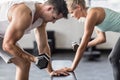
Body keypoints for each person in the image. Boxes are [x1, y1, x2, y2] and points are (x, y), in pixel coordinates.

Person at [0, 0, 69, 80]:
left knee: (24, 63)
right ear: (49, 8)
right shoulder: (24, 12)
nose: (53, 22)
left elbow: (43, 46)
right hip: (5, 40)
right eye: (54, 18)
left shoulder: (42, 20)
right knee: (24, 59)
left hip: (2, 36)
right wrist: (34, 59)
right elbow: (7, 45)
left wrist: (50, 70)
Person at [59, 0, 120, 80]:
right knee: (113, 58)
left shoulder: (92, 14)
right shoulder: (90, 15)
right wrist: (81, 45)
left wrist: (72, 68)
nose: (72, 16)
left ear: (78, 7)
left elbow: (83, 46)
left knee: (113, 58)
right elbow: (101, 38)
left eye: (72, 12)